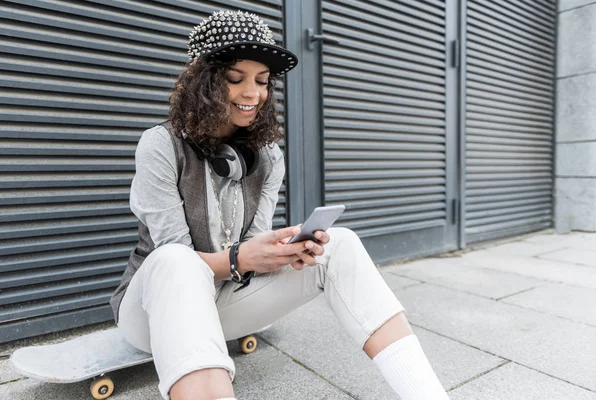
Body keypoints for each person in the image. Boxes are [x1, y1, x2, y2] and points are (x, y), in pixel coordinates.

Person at [109, 9, 449, 400]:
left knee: (341, 243)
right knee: (176, 261)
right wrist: (241, 259)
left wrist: (282, 254)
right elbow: (178, 256)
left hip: (224, 304)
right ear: (201, 83)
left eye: (263, 81)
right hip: (154, 314)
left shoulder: (267, 155)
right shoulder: (160, 146)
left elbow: (254, 245)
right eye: (235, 79)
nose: (253, 93)